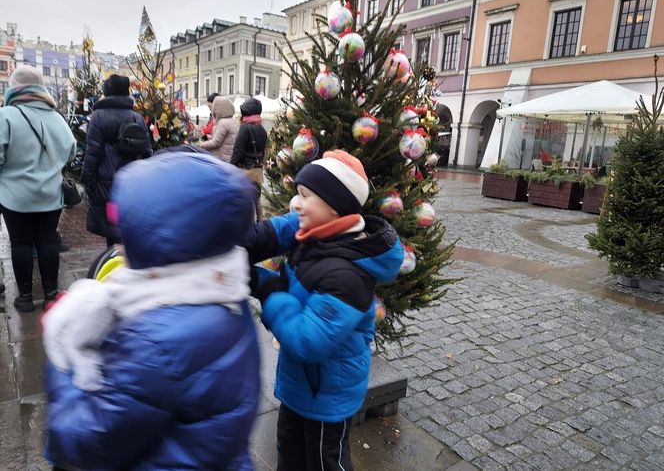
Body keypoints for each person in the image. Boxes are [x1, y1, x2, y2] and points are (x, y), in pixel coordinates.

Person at [42, 152, 260, 470]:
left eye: (128, 233)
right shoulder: (221, 290)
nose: (119, 244)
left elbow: (87, 440)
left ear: (163, 240)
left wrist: (62, 354)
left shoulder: (157, 340)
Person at [244, 150, 404, 471]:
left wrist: (267, 286)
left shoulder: (347, 275)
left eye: (305, 196)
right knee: (289, 453)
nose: (295, 203)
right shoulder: (319, 231)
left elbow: (308, 340)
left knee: (323, 461)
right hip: (300, 386)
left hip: (325, 394)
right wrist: (235, 244)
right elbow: (275, 231)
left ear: (334, 206)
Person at [0, 66, 76, 312]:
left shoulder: (7, 115)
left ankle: (24, 297)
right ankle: (51, 293)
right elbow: (72, 150)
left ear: (14, 87)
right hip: (51, 195)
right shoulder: (56, 117)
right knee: (47, 241)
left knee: (20, 243)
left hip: (15, 196)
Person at [81, 74, 151, 247]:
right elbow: (148, 151)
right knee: (128, 224)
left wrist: (87, 178)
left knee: (112, 229)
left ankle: (114, 262)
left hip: (108, 184)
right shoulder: (137, 117)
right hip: (133, 181)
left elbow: (92, 151)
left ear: (106, 92)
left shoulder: (98, 116)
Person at [231, 97, 267, 220]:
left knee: (246, 198)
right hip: (257, 167)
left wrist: (231, 166)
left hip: (245, 168)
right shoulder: (262, 129)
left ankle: (249, 224)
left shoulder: (245, 128)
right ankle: (260, 221)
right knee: (256, 196)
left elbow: (238, 150)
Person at [198, 96, 237, 162]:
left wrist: (202, 144)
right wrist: (207, 137)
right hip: (228, 157)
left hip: (222, 158)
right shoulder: (231, 121)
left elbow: (216, 142)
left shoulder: (223, 122)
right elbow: (221, 138)